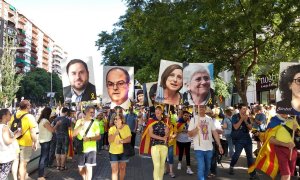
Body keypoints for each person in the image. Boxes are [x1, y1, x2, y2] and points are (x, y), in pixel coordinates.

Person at [188, 105, 223, 180]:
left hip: (209, 148)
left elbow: (214, 132)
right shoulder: (194, 119)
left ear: (205, 108)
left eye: (203, 107)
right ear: (197, 108)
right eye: (199, 107)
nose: (201, 108)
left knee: (207, 167)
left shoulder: (209, 119)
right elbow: (190, 134)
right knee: (201, 167)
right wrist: (196, 129)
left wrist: (219, 145)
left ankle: (204, 177)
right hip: (199, 148)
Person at [9, 100, 38, 180]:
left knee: (15, 161)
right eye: (30, 106)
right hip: (25, 143)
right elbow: (32, 132)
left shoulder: (14, 115)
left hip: (14, 142)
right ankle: (22, 178)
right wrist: (35, 142)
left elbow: (10, 128)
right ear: (27, 106)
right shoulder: (29, 117)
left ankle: (15, 178)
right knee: (23, 163)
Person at [229, 104, 258, 179]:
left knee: (250, 157)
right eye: (243, 109)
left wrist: (245, 120)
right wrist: (241, 119)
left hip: (247, 138)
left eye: (246, 109)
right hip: (238, 139)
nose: (245, 110)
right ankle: (231, 166)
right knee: (237, 154)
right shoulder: (235, 116)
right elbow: (235, 127)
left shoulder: (247, 117)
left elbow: (250, 128)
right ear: (239, 109)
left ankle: (252, 174)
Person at [73, 106, 101, 180]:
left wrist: (89, 139)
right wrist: (81, 125)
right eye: (91, 112)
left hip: (91, 149)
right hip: (81, 148)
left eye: (93, 112)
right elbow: (74, 134)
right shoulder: (79, 121)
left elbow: (99, 137)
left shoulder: (95, 123)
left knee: (89, 167)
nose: (93, 114)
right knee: (80, 169)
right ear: (86, 112)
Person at [37, 107, 61, 180]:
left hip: (43, 140)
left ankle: (42, 174)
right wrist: (57, 124)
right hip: (45, 141)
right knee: (43, 158)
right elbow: (52, 130)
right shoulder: (45, 121)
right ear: (48, 113)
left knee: (43, 158)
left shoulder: (42, 120)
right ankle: (40, 176)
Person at [148, 105, 170, 180]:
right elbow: (150, 134)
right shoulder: (151, 121)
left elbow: (167, 136)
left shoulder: (165, 122)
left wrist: (167, 132)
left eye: (159, 110)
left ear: (162, 111)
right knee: (157, 165)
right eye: (156, 109)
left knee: (162, 166)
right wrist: (162, 138)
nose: (157, 111)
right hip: (155, 146)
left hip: (164, 146)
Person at [108, 113, 131, 180]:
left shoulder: (126, 127)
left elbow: (129, 139)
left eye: (117, 119)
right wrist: (115, 134)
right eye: (115, 119)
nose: (116, 120)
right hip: (113, 152)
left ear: (121, 120)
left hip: (123, 151)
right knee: (114, 171)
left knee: (122, 168)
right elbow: (109, 141)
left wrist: (122, 141)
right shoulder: (112, 129)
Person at [0, 109, 21, 180]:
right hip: (5, 157)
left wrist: (13, 133)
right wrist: (16, 136)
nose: (11, 115)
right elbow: (8, 141)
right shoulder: (4, 127)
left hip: (2, 155)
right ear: (4, 116)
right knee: (3, 176)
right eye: (9, 114)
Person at [176, 110, 194, 175]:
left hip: (187, 141)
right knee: (181, 152)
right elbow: (175, 130)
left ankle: (188, 168)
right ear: (182, 115)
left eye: (187, 115)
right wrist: (181, 130)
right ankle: (179, 162)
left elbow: (192, 130)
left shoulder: (190, 122)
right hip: (180, 140)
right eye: (185, 115)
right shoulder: (178, 122)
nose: (186, 116)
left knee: (187, 154)